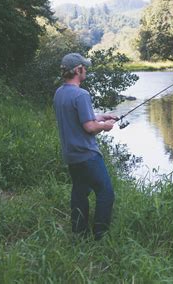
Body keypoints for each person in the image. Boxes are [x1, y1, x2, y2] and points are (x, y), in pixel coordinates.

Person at [53, 53, 117, 240]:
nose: (86, 70)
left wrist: (101, 117)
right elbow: (89, 127)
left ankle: (80, 233)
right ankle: (100, 235)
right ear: (78, 70)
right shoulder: (82, 94)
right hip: (87, 155)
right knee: (106, 192)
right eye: (84, 67)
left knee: (80, 192)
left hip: (71, 155)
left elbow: (79, 118)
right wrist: (105, 126)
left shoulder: (60, 93)